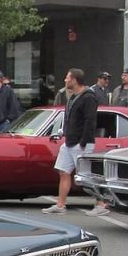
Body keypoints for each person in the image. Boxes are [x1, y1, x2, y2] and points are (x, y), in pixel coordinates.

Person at [42, 68, 99, 215]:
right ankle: (60, 205)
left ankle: (101, 204)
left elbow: (90, 120)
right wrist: (63, 132)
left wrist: (83, 142)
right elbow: (70, 119)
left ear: (74, 80)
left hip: (81, 143)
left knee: (87, 176)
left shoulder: (89, 97)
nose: (65, 80)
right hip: (69, 142)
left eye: (67, 78)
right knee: (63, 172)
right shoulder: (72, 97)